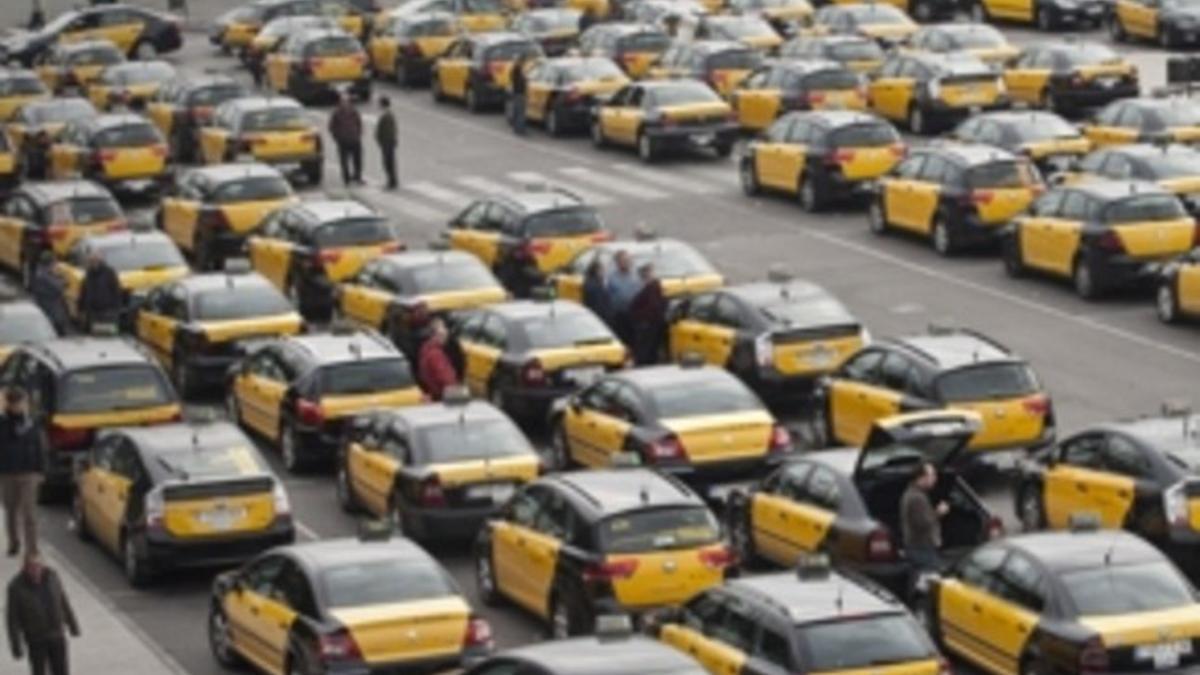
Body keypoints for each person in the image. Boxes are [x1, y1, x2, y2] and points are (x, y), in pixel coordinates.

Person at [6, 554, 79, 675]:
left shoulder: (52, 578)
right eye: (32, 567)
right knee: (39, 671)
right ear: (25, 568)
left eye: (38, 566)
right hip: (36, 639)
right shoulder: (16, 587)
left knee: (61, 670)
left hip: (56, 635)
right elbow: (12, 619)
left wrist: (73, 625)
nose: (35, 570)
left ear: (43, 567)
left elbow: (63, 601)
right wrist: (16, 646)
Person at [0, 389, 42, 558]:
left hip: (29, 472)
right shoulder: (3, 424)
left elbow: (40, 446)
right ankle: (14, 542)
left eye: (23, 403)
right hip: (7, 472)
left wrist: (40, 470)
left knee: (30, 513)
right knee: (10, 510)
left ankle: (32, 548)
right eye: (16, 404)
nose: (20, 407)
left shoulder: (32, 423)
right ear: (9, 404)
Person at [901, 462, 949, 588]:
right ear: (921, 477)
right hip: (923, 549)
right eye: (932, 475)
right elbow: (922, 523)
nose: (935, 478)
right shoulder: (917, 498)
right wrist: (939, 512)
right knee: (932, 583)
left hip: (916, 548)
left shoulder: (914, 494)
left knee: (918, 581)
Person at [628, 263, 666, 366]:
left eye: (650, 272)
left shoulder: (652, 287)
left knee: (647, 350)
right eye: (648, 273)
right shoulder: (648, 287)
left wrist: (641, 316)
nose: (650, 275)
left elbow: (654, 306)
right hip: (647, 324)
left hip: (649, 324)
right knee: (647, 350)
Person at [77, 252, 121, 334]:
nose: (93, 263)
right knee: (95, 336)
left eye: (95, 261)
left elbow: (116, 291)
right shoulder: (88, 273)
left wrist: (116, 309)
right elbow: (84, 292)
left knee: (109, 334)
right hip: (92, 312)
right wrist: (81, 309)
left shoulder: (109, 272)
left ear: (100, 261)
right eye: (91, 261)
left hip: (108, 311)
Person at [605, 250, 642, 344]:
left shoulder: (636, 275)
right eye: (623, 261)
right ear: (617, 263)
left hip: (635, 315)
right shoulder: (611, 277)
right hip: (619, 316)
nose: (626, 263)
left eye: (628, 260)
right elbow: (608, 297)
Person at [417, 319, 459, 401]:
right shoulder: (435, 355)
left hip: (435, 394)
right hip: (443, 397)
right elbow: (446, 379)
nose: (446, 333)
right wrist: (458, 396)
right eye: (443, 332)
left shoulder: (427, 348)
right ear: (435, 335)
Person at [328, 92, 364, 186]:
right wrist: (337, 137)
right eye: (343, 101)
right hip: (343, 140)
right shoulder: (336, 113)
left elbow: (359, 123)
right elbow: (332, 127)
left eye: (346, 101)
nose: (345, 103)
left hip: (354, 139)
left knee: (357, 160)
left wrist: (358, 133)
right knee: (344, 161)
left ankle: (357, 177)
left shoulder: (354, 111)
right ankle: (346, 179)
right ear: (340, 102)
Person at [29, 252, 68, 336]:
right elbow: (58, 287)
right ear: (49, 264)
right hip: (51, 313)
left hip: (50, 311)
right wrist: (62, 280)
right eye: (54, 263)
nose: (56, 265)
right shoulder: (44, 276)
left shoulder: (41, 273)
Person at [375, 96, 398, 190]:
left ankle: (391, 181)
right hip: (389, 142)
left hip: (387, 143)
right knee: (390, 162)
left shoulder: (386, 116)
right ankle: (393, 181)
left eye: (379, 103)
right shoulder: (389, 115)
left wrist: (381, 140)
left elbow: (388, 131)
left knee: (388, 163)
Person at [581, 259, 611, 324]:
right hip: (598, 317)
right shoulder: (594, 284)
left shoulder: (595, 282)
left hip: (595, 315)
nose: (604, 272)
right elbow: (598, 303)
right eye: (602, 270)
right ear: (596, 271)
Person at [508, 54, 528, 136]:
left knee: (517, 111)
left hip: (516, 93)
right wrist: (525, 80)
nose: (523, 63)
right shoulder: (518, 72)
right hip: (519, 94)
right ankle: (520, 129)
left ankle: (517, 128)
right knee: (520, 112)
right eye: (521, 61)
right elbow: (521, 82)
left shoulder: (515, 72)